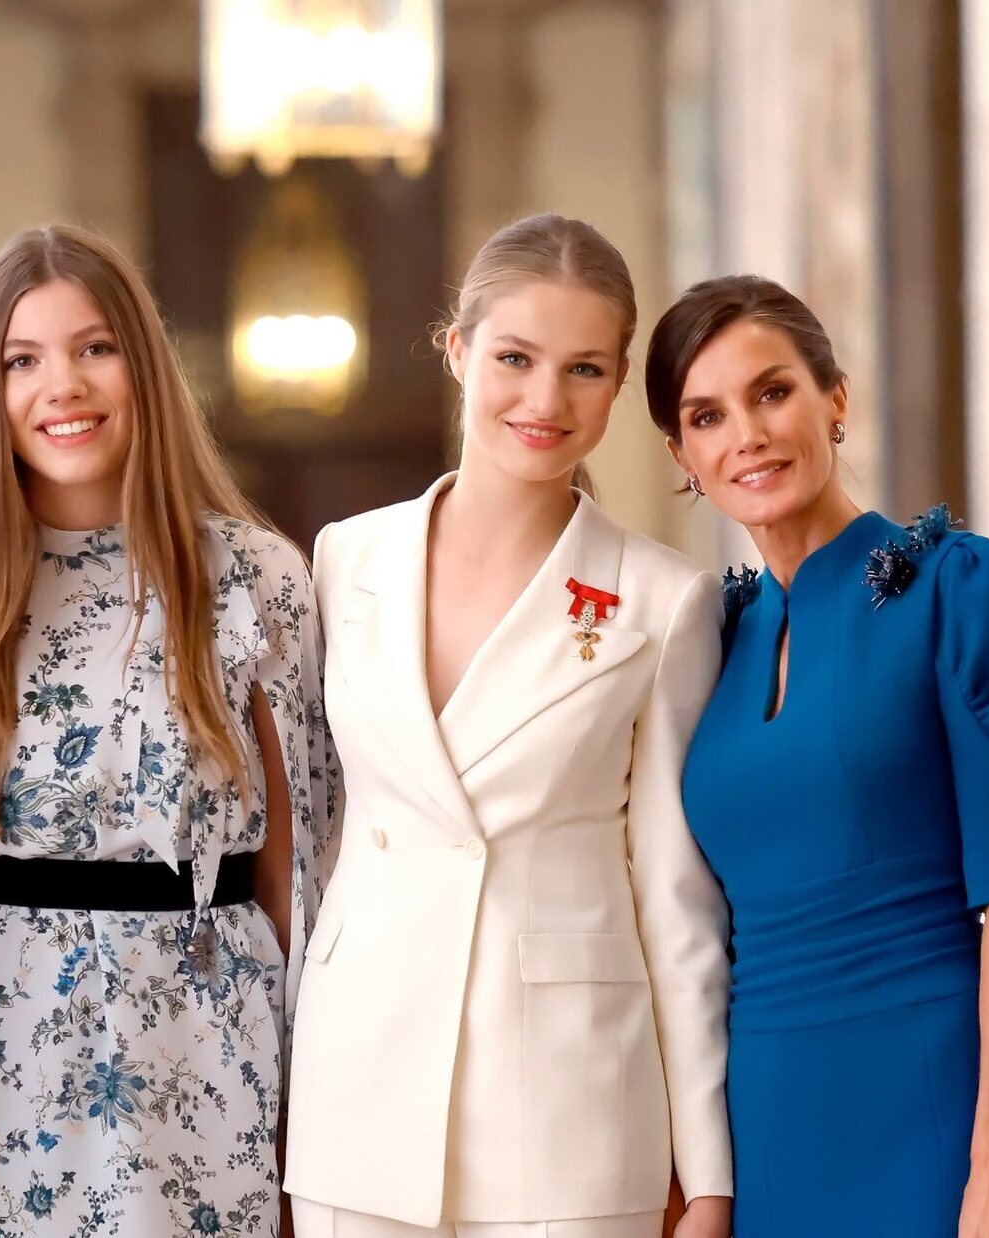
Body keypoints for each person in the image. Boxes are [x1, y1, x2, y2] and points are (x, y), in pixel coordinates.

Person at [284, 214, 734, 1238]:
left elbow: (674, 898)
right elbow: (310, 836)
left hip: (563, 1102)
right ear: (456, 350)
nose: (543, 400)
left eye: (582, 369)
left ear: (619, 384)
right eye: (514, 358)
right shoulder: (343, 561)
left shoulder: (659, 601)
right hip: (358, 1090)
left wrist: (705, 1169)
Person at [0, 224, 336, 1237]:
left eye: (93, 348)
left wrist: (304, 1125)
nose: (64, 385)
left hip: (200, 1045)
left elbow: (295, 871)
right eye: (23, 359)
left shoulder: (253, 578)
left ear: (143, 367)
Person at [647, 274, 989, 1237]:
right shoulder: (714, 637)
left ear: (834, 398)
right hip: (771, 1137)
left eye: (772, 392)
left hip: (940, 1126)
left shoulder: (956, 588)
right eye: (707, 417)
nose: (746, 435)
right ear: (683, 456)